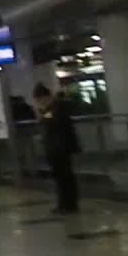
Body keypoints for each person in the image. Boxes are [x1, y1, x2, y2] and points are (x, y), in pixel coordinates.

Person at [34, 83, 81, 214]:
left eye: (39, 99)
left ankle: (70, 204)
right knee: (60, 177)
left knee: (65, 176)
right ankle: (63, 203)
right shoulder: (51, 108)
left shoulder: (57, 107)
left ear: (45, 97)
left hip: (61, 148)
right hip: (55, 148)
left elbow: (52, 119)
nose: (39, 102)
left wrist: (42, 115)